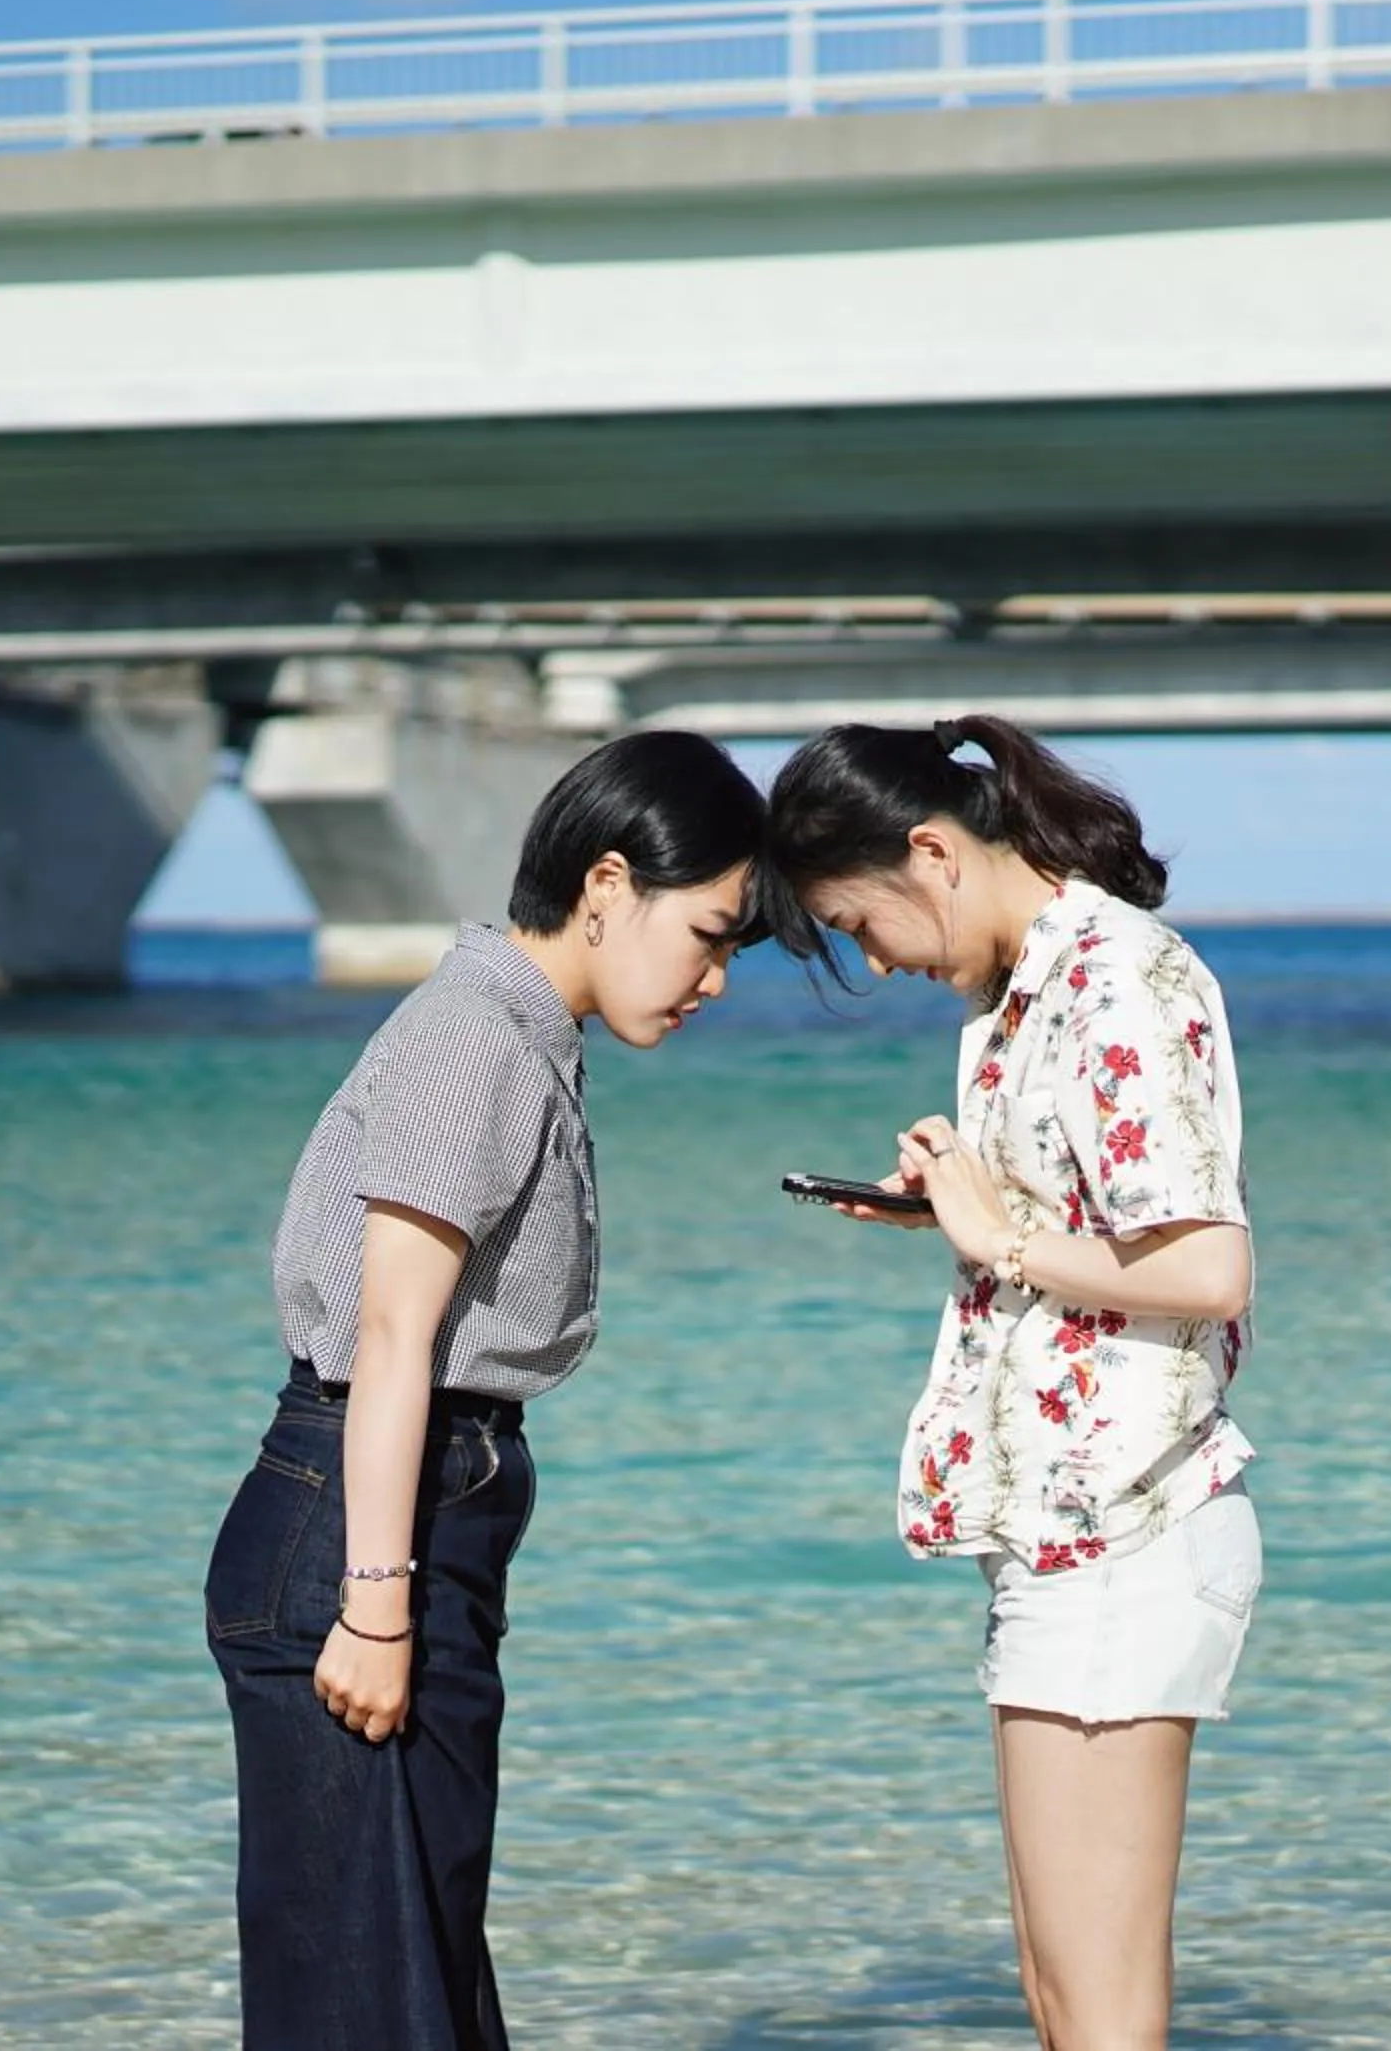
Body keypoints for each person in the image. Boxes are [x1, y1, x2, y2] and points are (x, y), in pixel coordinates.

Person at [203, 729, 766, 2051]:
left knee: (413, 1983)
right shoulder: (476, 1039)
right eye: (709, 933)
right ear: (609, 884)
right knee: (367, 2002)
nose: (717, 979)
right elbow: (394, 1334)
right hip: (362, 1523)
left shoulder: (521, 1027)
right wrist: (378, 1602)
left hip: (410, 1510)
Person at [760, 714, 1259, 2051]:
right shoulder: (1020, 997)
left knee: (1097, 2016)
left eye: (863, 925)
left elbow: (1210, 1265)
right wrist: (970, 1209)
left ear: (931, 853)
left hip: (1128, 1522)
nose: (877, 958)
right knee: (1060, 2001)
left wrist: (1005, 1235)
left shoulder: (1117, 979)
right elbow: (1114, 1232)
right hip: (1066, 1525)